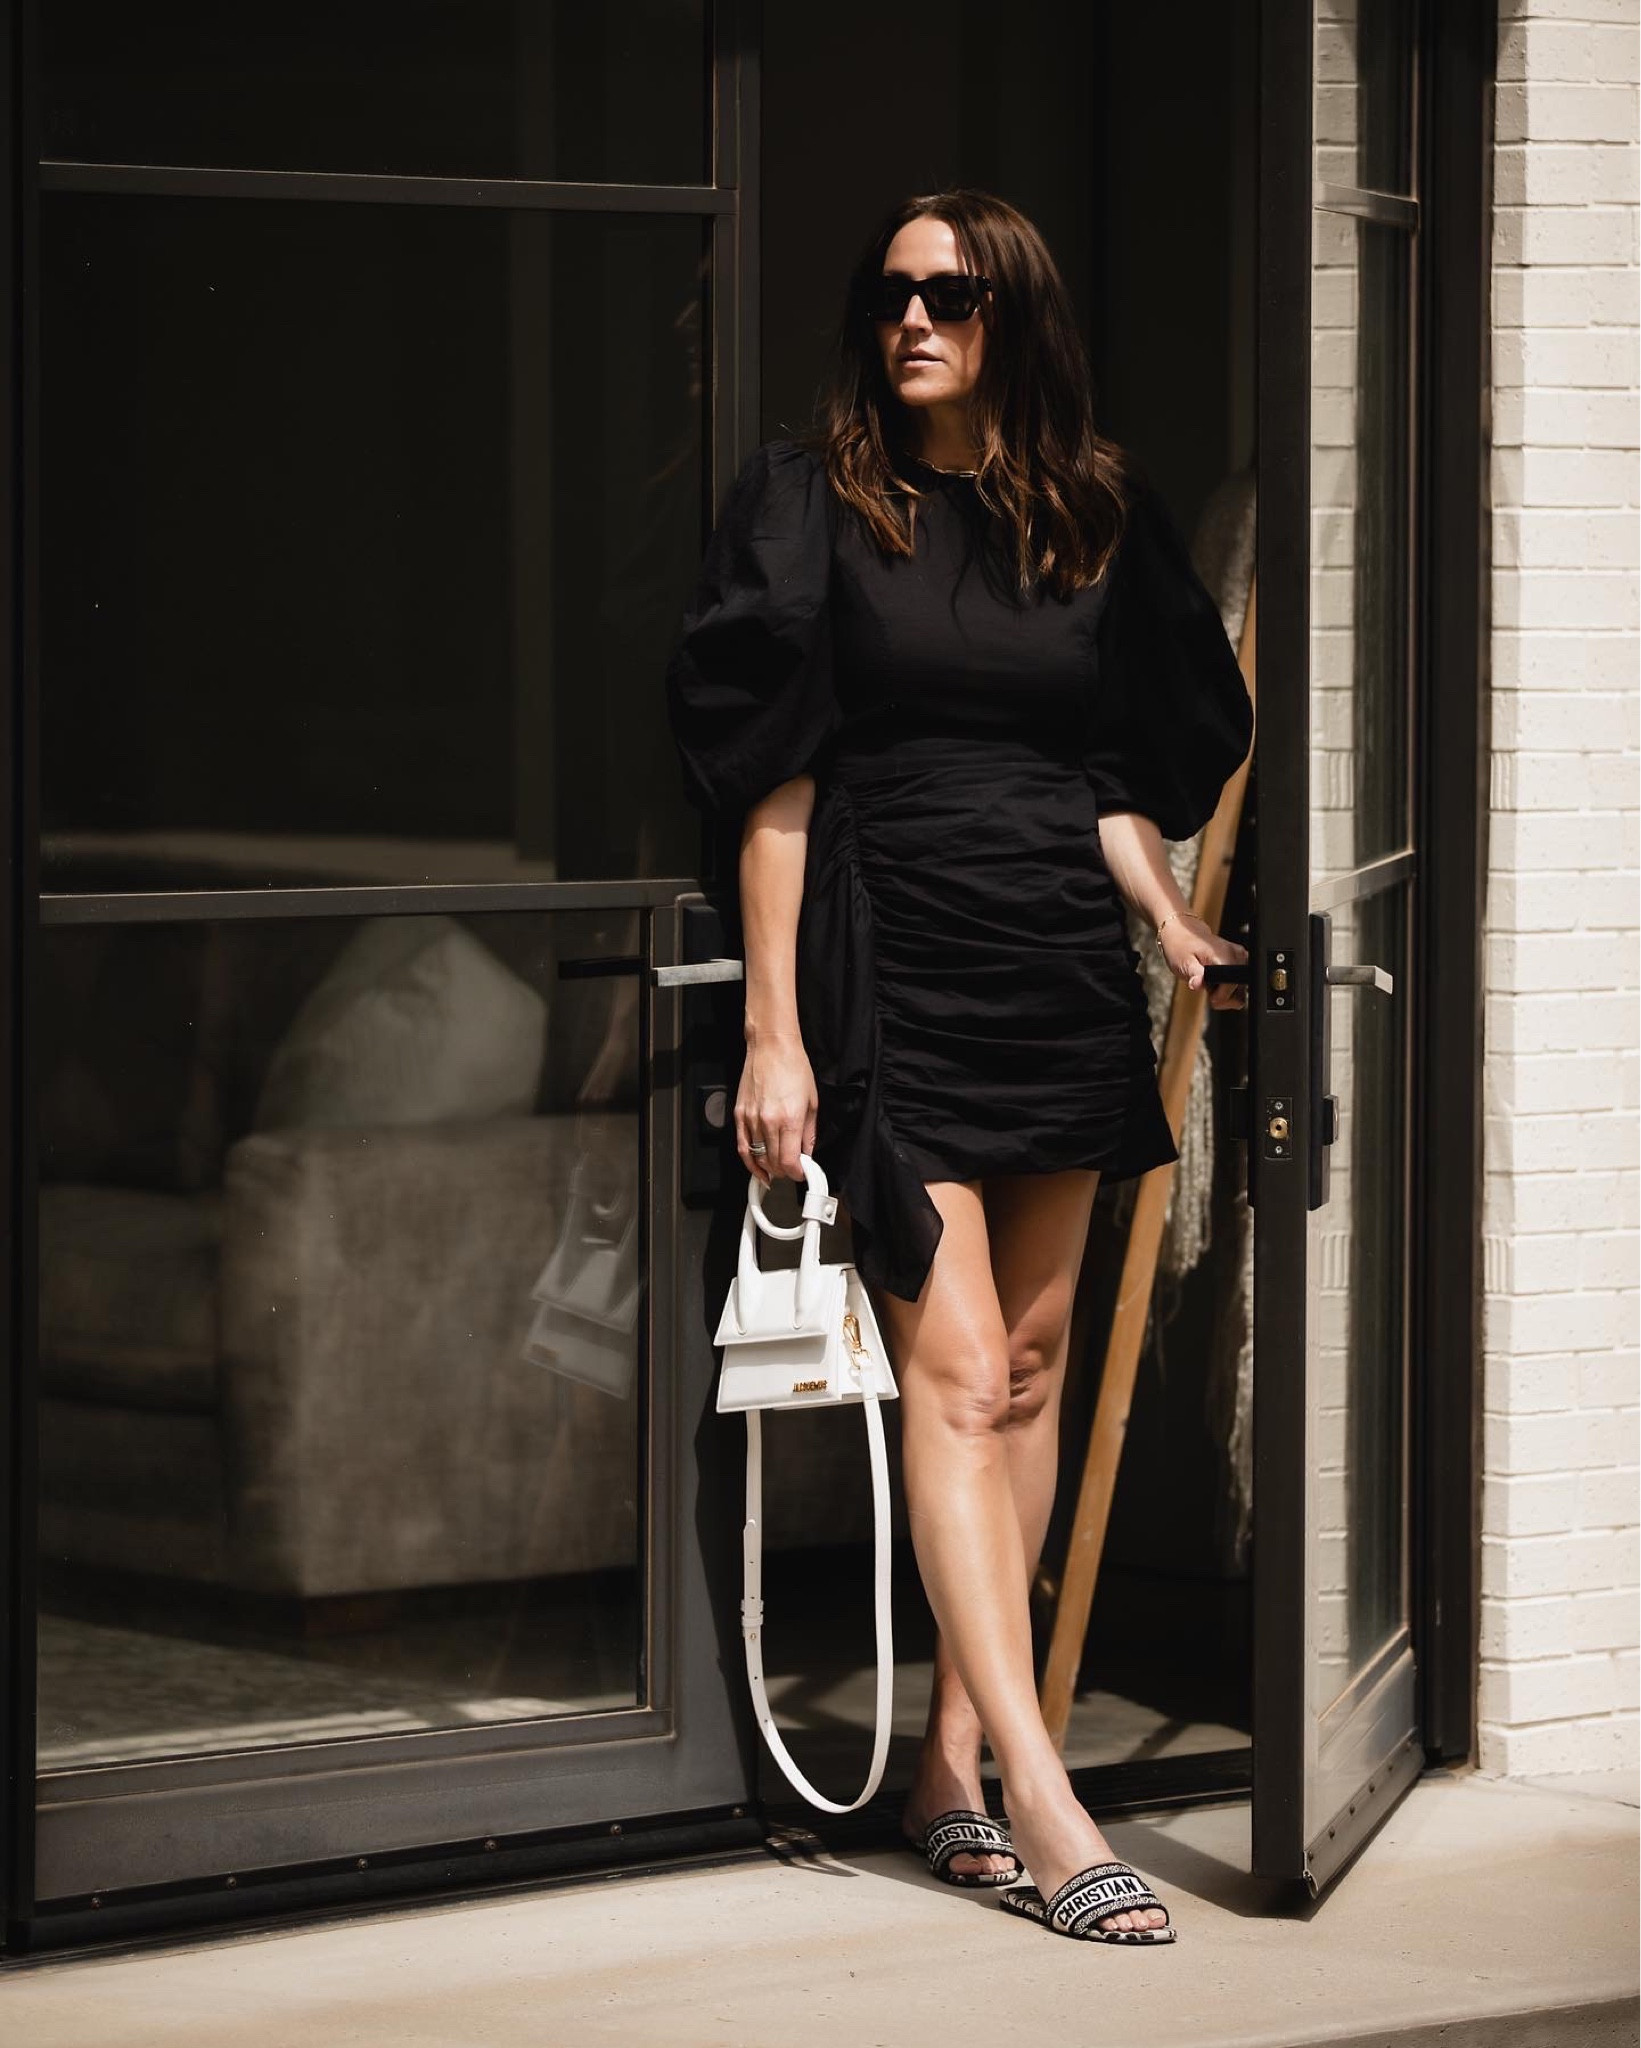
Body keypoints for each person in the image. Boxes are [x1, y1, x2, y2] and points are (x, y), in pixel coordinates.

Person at [665, 189, 1253, 1947]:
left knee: (1035, 1365)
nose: (912, 318)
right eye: (892, 292)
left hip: (1051, 958)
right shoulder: (811, 501)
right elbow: (769, 784)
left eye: (952, 295)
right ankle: (1042, 1787)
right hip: (887, 952)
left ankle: (944, 1768)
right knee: (958, 1358)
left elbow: (1122, 768)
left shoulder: (1086, 511)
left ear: (1015, 321)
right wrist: (774, 1030)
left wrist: (1164, 918)